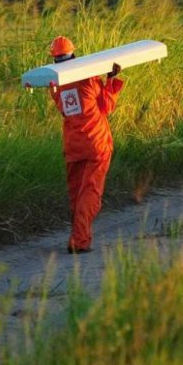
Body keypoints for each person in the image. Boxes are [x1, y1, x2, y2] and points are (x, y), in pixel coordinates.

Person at [47, 35, 124, 254]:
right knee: (90, 194)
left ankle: (80, 237)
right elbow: (107, 106)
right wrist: (110, 80)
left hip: (73, 147)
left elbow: (64, 110)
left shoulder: (55, 85)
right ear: (74, 54)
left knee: (77, 195)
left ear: (54, 59)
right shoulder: (89, 79)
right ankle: (79, 241)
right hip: (96, 144)